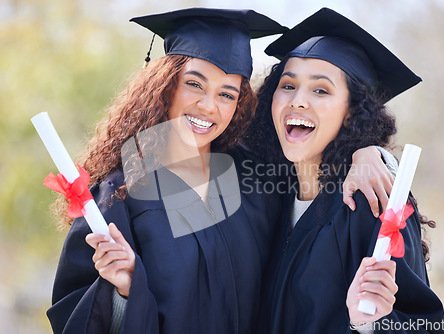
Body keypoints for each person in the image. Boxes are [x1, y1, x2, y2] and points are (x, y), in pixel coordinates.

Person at [45, 8, 398, 334]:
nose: (209, 106)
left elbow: (316, 170)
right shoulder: (119, 197)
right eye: (194, 84)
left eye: (228, 94)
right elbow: (73, 317)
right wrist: (123, 293)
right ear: (164, 86)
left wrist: (366, 153)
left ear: (240, 104)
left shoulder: (257, 179)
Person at [246, 7, 444, 334]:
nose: (297, 100)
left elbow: (425, 326)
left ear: (351, 113)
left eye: (321, 90)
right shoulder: (271, 198)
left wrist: (369, 323)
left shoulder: (375, 201)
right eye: (287, 85)